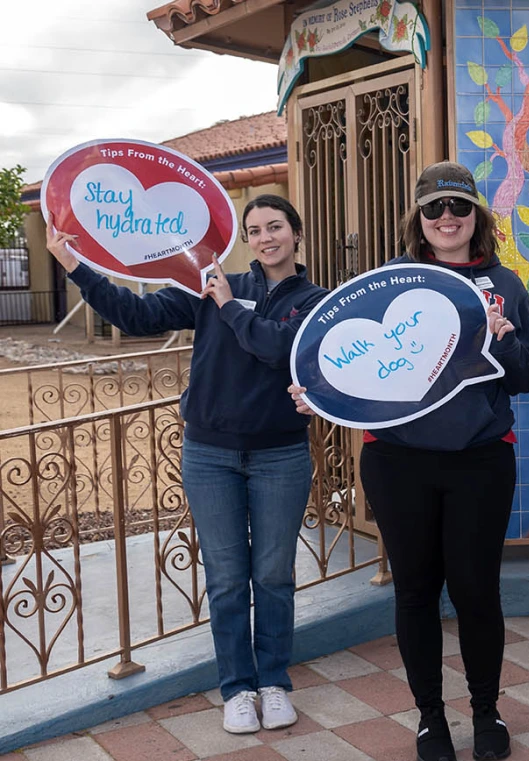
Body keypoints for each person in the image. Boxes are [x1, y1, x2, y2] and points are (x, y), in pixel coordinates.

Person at [292, 162, 529, 761]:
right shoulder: (387, 285)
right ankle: (430, 718)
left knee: (477, 591)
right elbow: (347, 362)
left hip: (481, 460)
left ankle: (486, 711)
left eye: (459, 208)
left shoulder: (505, 284)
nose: (447, 220)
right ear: (418, 221)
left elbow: (527, 378)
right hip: (397, 461)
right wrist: (313, 388)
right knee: (415, 590)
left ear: (476, 217)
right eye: (434, 210)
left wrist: (505, 338)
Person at [46, 195, 328, 734]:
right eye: (255, 229)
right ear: (247, 240)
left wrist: (226, 306)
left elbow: (277, 349)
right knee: (225, 579)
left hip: (280, 455)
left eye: (275, 226)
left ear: (296, 233)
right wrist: (76, 268)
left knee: (272, 576)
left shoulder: (316, 303)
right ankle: (237, 689)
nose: (266, 237)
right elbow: (139, 316)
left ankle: (273, 682)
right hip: (210, 454)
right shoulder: (217, 283)